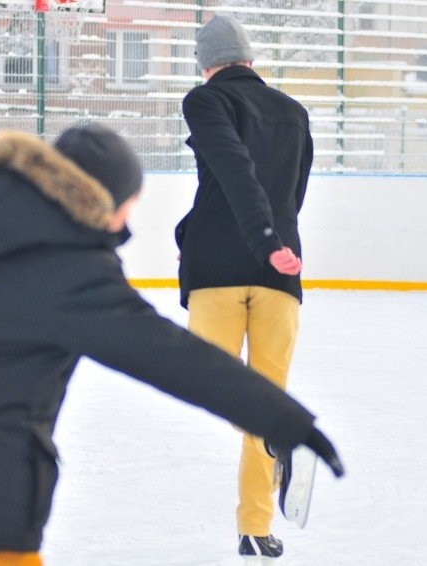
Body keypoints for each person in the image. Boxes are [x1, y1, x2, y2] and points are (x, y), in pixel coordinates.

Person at [0, 123, 342, 566]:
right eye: (130, 200)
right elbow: (178, 360)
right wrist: (287, 420)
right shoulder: (76, 274)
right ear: (101, 200)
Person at [175, 15, 315, 560]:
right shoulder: (295, 112)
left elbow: (233, 170)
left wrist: (255, 239)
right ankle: (256, 527)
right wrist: (275, 245)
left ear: (207, 65)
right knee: (267, 394)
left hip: (219, 266)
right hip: (282, 268)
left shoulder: (205, 100)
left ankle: (275, 437)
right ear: (250, 60)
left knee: (215, 384)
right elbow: (294, 193)